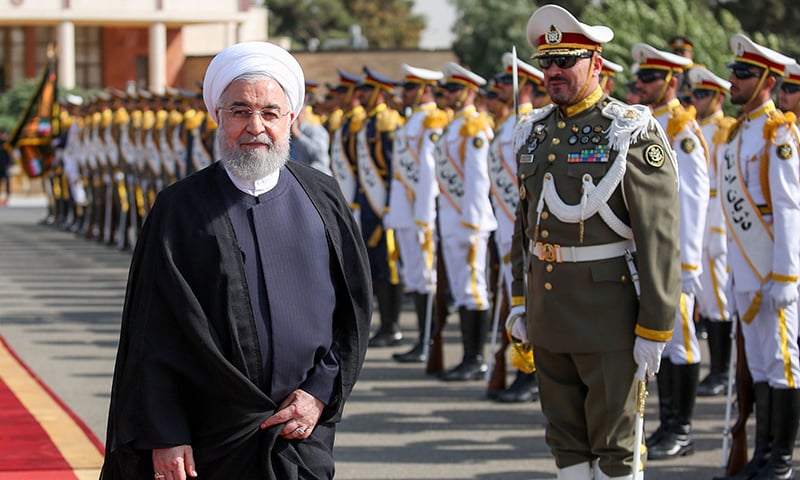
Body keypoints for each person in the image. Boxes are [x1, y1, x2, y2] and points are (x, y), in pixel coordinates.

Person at [100, 41, 372, 480]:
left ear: (292, 119)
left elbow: (352, 311)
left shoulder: (323, 196)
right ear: (217, 116)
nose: (256, 126)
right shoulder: (179, 209)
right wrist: (166, 433)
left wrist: (319, 392)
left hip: (300, 431)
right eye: (240, 111)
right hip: (208, 440)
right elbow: (154, 335)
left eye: (270, 112)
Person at [506, 5, 680, 478]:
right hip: (548, 313)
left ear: (596, 64)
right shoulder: (534, 132)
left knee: (617, 448)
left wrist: (655, 327)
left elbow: (659, 238)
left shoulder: (629, 131)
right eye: (546, 62)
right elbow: (524, 230)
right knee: (566, 444)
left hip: (608, 317)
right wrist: (520, 303)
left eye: (567, 60)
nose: (554, 72)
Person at [713, 34, 800, 480]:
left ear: (767, 81)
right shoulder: (736, 134)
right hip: (744, 267)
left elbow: (787, 208)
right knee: (761, 364)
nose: (733, 79)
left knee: (783, 362)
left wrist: (786, 275)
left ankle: (781, 459)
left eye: (743, 74)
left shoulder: (778, 132)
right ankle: (762, 454)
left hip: (771, 265)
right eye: (734, 71)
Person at [632, 42, 710, 460]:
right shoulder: (648, 121)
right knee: (660, 342)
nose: (639, 84)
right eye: (639, 77)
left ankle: (681, 428)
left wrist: (690, 262)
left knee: (679, 342)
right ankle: (666, 423)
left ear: (671, 82)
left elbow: (694, 200)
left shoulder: (682, 129)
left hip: (676, 255)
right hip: (651, 253)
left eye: (649, 78)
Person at [489, 52, 547, 403]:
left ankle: (529, 372)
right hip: (504, 226)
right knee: (512, 302)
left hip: (522, 229)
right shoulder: (511, 125)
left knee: (526, 301)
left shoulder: (531, 126)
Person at [434, 61, 497, 381]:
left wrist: (472, 222)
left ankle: (476, 358)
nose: (449, 94)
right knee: (461, 290)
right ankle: (469, 357)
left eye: (455, 89)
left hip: (468, 221)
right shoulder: (453, 125)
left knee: (474, 290)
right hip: (451, 219)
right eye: (447, 89)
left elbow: (477, 179)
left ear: (470, 92)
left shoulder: (474, 127)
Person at [385, 64, 446, 363]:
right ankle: (421, 340)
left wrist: (424, 215)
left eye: (410, 88)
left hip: (421, 213)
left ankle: (429, 341)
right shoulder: (413, 121)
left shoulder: (433, 121)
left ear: (424, 90)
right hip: (405, 211)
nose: (404, 94)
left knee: (426, 276)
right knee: (415, 278)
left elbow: (429, 172)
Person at [687, 67, 735, 397]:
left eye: (703, 95)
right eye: (695, 94)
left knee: (718, 302)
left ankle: (721, 371)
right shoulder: (691, 127)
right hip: (695, 223)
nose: (696, 100)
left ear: (719, 98)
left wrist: (718, 231)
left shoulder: (725, 130)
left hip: (714, 223)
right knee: (703, 298)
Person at [352, 67, 406, 347]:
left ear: (379, 93)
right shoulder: (369, 121)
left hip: (382, 204)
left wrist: (387, 206)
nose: (360, 94)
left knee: (388, 266)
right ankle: (383, 324)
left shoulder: (386, 121)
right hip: (368, 203)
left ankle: (392, 325)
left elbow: (391, 166)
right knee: (374, 265)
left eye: (366, 90)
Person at [289, 80, 332, 175]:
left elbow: (319, 153)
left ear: (303, 113)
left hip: (318, 178)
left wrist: (299, 136)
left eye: (298, 113)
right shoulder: (291, 132)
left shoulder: (314, 129)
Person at [0, 129, 12, 205]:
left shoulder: (7, 144)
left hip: (5, 166)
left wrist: (10, 164)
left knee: (7, 182)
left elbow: (10, 155)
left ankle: (7, 198)